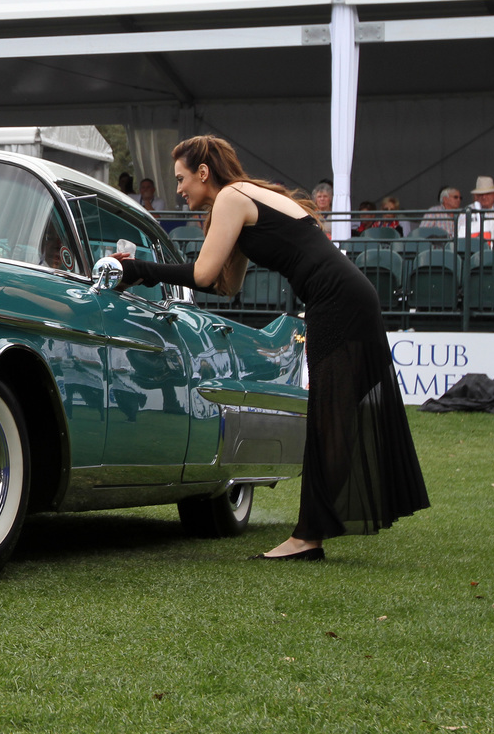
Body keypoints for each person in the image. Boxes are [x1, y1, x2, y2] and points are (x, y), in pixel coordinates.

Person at [117, 135, 429, 560]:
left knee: (327, 420)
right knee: (330, 419)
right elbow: (227, 284)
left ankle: (307, 536)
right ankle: (311, 533)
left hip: (337, 301)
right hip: (345, 298)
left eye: (181, 178)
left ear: (203, 173)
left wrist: (138, 269)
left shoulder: (230, 196)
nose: (178, 189)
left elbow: (204, 275)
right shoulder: (243, 199)